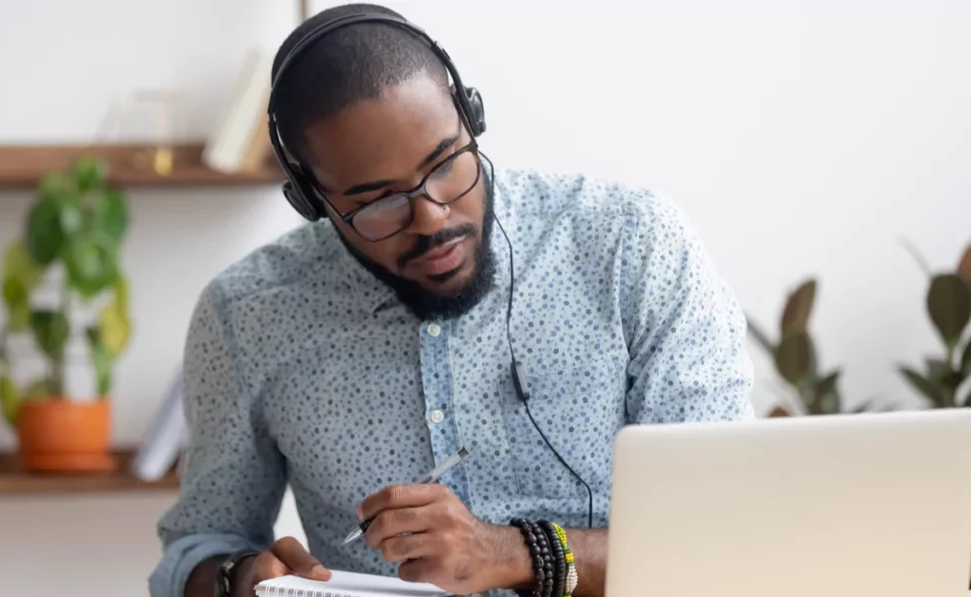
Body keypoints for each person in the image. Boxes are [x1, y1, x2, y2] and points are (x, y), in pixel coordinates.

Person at [148, 4, 755, 597]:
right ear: (312, 200)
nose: (433, 217)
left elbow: (725, 533)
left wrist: (515, 554)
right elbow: (196, 548)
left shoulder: (633, 247)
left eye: (445, 163)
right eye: (377, 201)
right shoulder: (246, 314)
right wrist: (237, 579)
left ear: (471, 117)